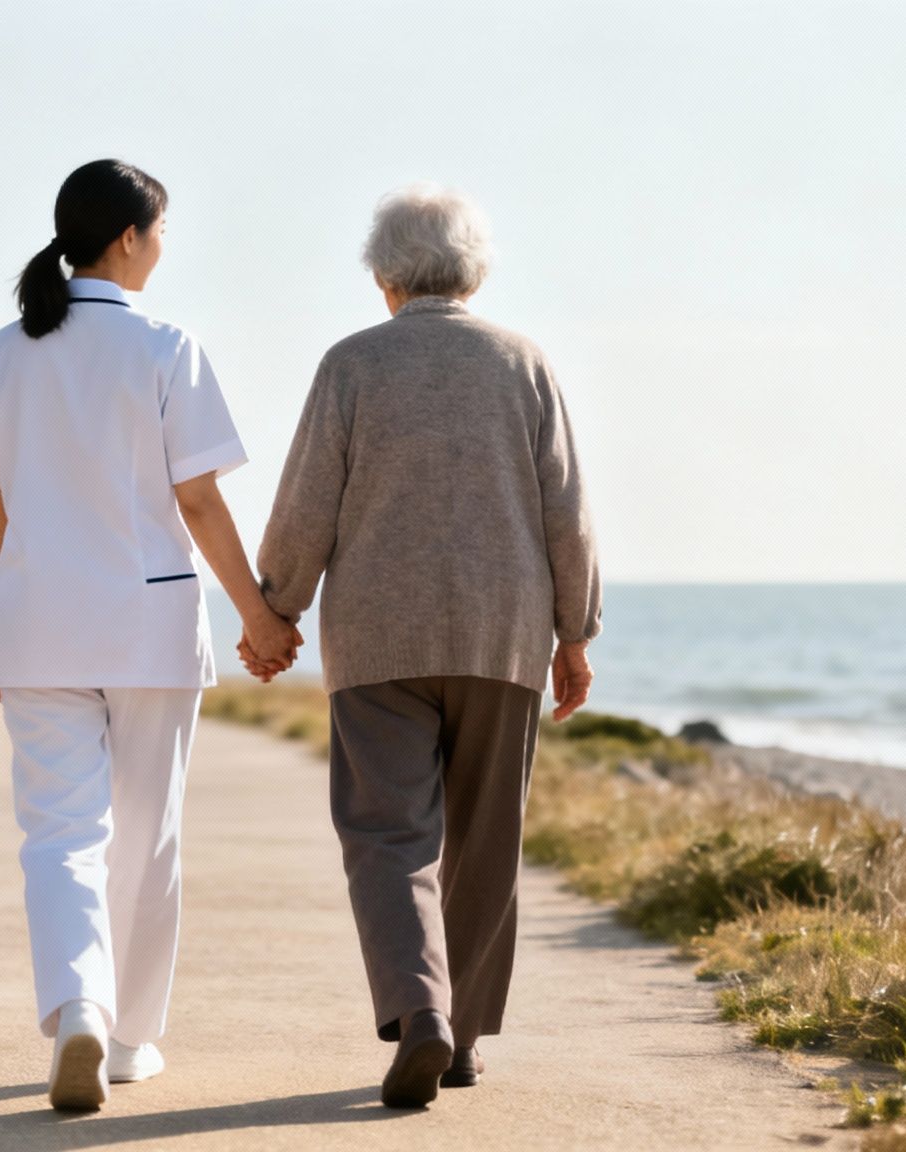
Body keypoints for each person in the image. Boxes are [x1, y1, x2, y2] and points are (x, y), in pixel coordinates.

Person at [0, 159, 300, 1112]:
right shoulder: (166, 345)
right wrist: (258, 616)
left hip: (38, 629)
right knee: (146, 839)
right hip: (149, 626)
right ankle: (131, 1039)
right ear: (130, 237)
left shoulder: (1, 354)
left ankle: (79, 1010)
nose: (164, 246)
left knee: (60, 836)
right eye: (162, 229)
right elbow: (198, 499)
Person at [249, 184, 600, 1109]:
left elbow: (307, 505)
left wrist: (274, 610)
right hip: (502, 632)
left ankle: (420, 1013)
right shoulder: (523, 362)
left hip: (378, 638)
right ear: (474, 273)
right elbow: (566, 513)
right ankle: (464, 1037)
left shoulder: (352, 364)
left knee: (387, 835)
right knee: (487, 841)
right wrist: (576, 632)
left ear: (385, 276)